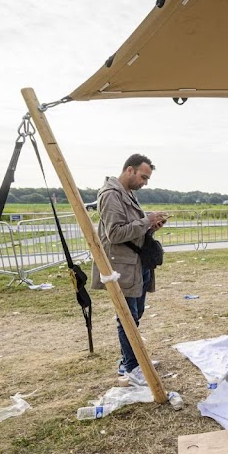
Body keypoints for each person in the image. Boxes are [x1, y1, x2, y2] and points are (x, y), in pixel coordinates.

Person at [93, 153, 169, 386]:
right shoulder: (110, 195)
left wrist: (151, 226)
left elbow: (130, 230)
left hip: (136, 264)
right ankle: (132, 367)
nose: (144, 183)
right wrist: (146, 221)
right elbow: (115, 233)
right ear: (129, 170)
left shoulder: (128, 194)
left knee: (136, 314)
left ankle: (131, 358)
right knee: (127, 317)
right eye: (143, 177)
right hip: (122, 267)